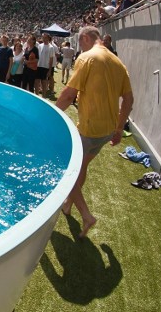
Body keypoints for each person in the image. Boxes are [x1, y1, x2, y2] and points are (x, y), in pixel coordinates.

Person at [56, 26, 133, 238]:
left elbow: (68, 94)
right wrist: (118, 129)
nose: (80, 47)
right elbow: (129, 100)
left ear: (87, 38)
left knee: (67, 173)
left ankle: (87, 215)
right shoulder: (118, 62)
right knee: (82, 167)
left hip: (89, 130)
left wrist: (51, 115)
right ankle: (68, 205)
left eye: (80, 43)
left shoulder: (87, 58)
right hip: (107, 131)